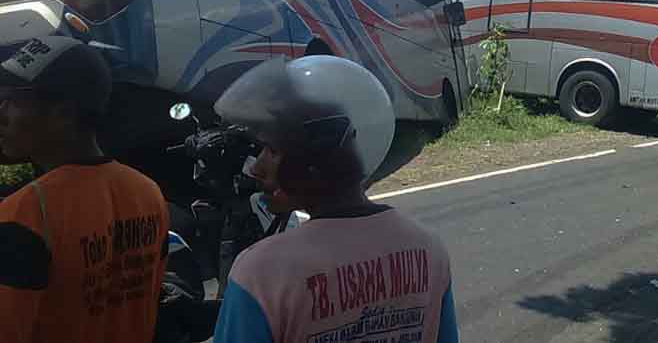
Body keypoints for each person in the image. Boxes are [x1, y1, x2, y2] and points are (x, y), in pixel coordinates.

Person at [212, 56, 458, 343]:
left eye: (272, 150)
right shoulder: (429, 250)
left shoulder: (260, 274)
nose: (256, 167)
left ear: (310, 162)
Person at [0, 36, 169, 343]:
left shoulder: (25, 214)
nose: (2, 113)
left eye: (13, 101)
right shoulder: (148, 194)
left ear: (63, 114)